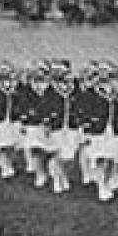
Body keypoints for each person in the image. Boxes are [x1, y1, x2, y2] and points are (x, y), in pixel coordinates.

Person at [74, 62, 118, 201]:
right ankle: (101, 186)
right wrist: (85, 130)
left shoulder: (117, 92)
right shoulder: (90, 93)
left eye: (107, 71)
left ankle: (108, 179)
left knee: (112, 158)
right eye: (102, 71)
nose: (104, 74)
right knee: (100, 158)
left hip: (114, 130)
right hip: (97, 130)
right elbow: (83, 112)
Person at [37, 61, 80, 194]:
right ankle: (57, 179)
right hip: (56, 126)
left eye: (63, 70)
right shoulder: (50, 90)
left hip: (71, 126)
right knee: (57, 152)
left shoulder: (75, 87)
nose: (60, 73)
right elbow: (44, 108)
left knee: (69, 156)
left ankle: (62, 175)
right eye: (57, 71)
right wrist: (47, 124)